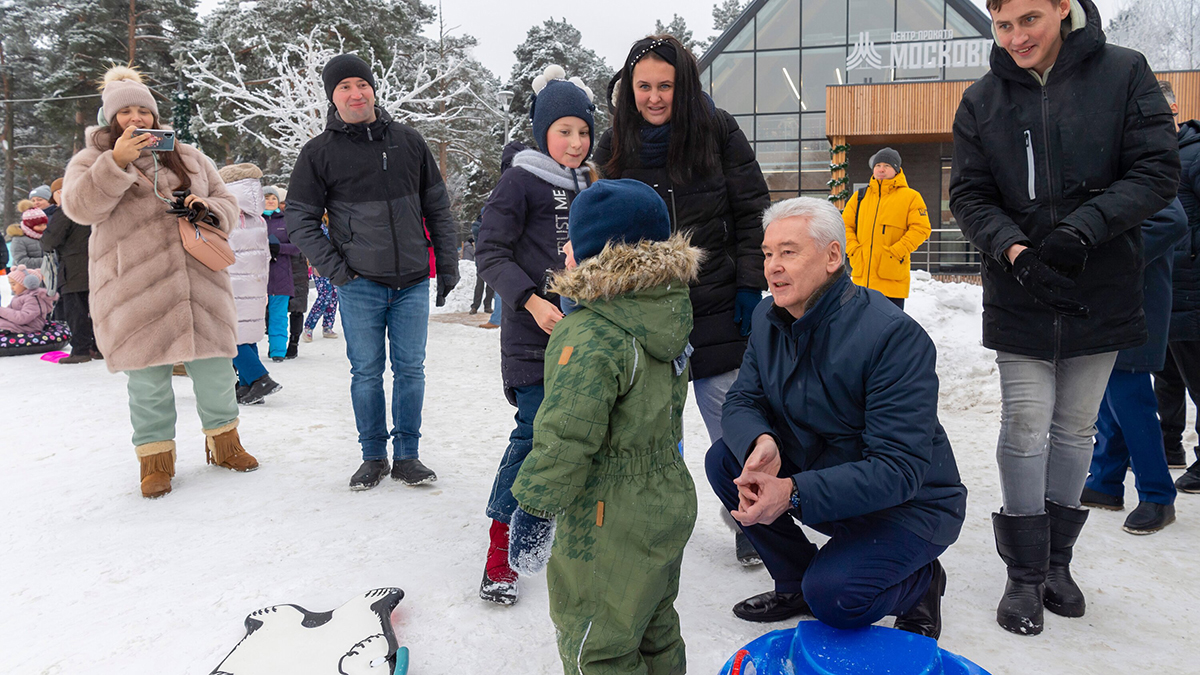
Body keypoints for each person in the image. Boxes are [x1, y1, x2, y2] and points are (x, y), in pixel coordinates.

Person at [949, 0, 1179, 636]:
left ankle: (1057, 563)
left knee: (1077, 428)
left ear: (1062, 8)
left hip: (1097, 285)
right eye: (1003, 25)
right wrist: (1015, 252)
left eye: (1030, 19)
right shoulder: (982, 99)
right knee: (1025, 423)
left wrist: (1084, 228)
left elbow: (1157, 169)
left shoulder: (1125, 73)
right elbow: (969, 194)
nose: (1016, 37)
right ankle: (1023, 574)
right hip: (1019, 287)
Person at [705, 197, 965, 639]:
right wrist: (761, 442)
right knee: (726, 460)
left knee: (836, 599)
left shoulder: (891, 335)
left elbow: (899, 469)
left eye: (789, 252)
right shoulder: (768, 317)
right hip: (827, 480)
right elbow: (742, 400)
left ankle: (921, 583)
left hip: (908, 506)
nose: (772, 267)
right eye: (767, 254)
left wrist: (793, 492)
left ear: (832, 257)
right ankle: (794, 582)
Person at [508, 178, 700, 674]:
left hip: (606, 513)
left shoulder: (589, 333)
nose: (564, 251)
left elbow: (567, 435)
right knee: (655, 627)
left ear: (599, 251)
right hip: (665, 494)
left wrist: (534, 507)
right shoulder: (667, 309)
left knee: (598, 642)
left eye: (573, 240)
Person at [594, 33, 770, 566]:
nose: (654, 97)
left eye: (665, 86)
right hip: (648, 314)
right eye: (643, 86)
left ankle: (752, 521)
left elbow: (752, 210)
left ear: (685, 86)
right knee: (651, 430)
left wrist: (750, 283)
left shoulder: (718, 131)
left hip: (719, 303)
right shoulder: (613, 146)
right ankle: (656, 519)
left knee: (732, 421)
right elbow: (600, 231)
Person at [61, 65, 258, 499]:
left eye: (143, 111)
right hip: (134, 289)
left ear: (154, 115)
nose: (136, 119)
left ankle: (226, 444)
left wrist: (205, 208)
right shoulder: (92, 159)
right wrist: (115, 163)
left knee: (216, 372)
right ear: (110, 118)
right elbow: (79, 208)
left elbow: (227, 202)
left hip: (199, 283)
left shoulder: (187, 155)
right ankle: (155, 463)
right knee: (147, 382)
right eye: (125, 112)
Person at [285, 53, 458, 490]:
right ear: (333, 96)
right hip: (360, 283)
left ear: (373, 89)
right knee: (366, 373)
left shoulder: (409, 141)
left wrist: (447, 263)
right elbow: (299, 220)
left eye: (361, 84)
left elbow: (437, 208)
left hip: (412, 281)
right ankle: (372, 456)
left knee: (411, 370)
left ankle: (408, 456)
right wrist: (338, 271)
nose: (355, 93)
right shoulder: (319, 153)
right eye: (344, 87)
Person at [473, 65, 595, 606]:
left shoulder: (593, 184)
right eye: (564, 130)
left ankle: (562, 531)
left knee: (581, 437)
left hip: (585, 337)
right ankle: (500, 552)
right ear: (543, 131)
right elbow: (490, 251)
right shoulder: (520, 180)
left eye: (583, 131)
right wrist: (530, 300)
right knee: (533, 435)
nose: (575, 142)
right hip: (531, 336)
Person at [1081, 199, 1186, 532]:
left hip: (1137, 301)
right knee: (1108, 396)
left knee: (1129, 397)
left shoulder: (1147, 173)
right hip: (1108, 301)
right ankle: (1105, 481)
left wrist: (1108, 258)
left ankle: (1157, 494)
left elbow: (1172, 221)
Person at [1154, 80, 1200, 490]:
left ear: (1173, 111)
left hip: (1192, 287)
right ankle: (1169, 446)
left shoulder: (1194, 154)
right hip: (1163, 286)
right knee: (1166, 374)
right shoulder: (1153, 158)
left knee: (1197, 377)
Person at [219, 162, 282, 405]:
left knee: (229, 335)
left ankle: (259, 378)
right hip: (255, 282)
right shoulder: (258, 218)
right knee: (246, 332)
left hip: (231, 281)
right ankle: (248, 386)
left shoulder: (226, 215)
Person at [841, 147, 932, 310]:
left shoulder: (911, 197)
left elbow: (921, 229)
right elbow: (845, 226)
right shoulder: (860, 197)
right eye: (878, 165)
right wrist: (853, 249)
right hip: (862, 281)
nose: (881, 169)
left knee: (890, 324)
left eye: (887, 165)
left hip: (892, 280)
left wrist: (897, 251)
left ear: (896, 169)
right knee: (862, 324)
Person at [40, 177, 99, 363]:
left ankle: (81, 350)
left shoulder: (67, 209)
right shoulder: (95, 206)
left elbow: (50, 241)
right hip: (98, 265)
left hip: (74, 269)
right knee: (97, 309)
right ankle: (99, 348)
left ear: (60, 192)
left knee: (76, 310)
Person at [263, 187, 298, 362]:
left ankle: (278, 351)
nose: (270, 201)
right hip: (258, 276)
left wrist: (279, 248)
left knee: (278, 316)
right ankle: (246, 353)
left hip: (281, 275)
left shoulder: (286, 221)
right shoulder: (252, 221)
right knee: (251, 318)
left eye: (273, 198)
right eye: (266, 198)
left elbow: (297, 247)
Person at [303, 227, 340, 341]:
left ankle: (327, 326)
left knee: (334, 296)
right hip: (321, 265)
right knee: (325, 295)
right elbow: (311, 246)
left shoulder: (334, 224)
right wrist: (314, 264)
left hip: (335, 265)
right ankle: (309, 327)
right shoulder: (317, 225)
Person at [0, 265, 54, 334]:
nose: (11, 288)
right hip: (20, 325)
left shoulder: (32, 298)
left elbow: (23, 318)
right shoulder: (18, 297)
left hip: (30, 327)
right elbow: (9, 311)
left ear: (27, 284)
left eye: (13, 284)